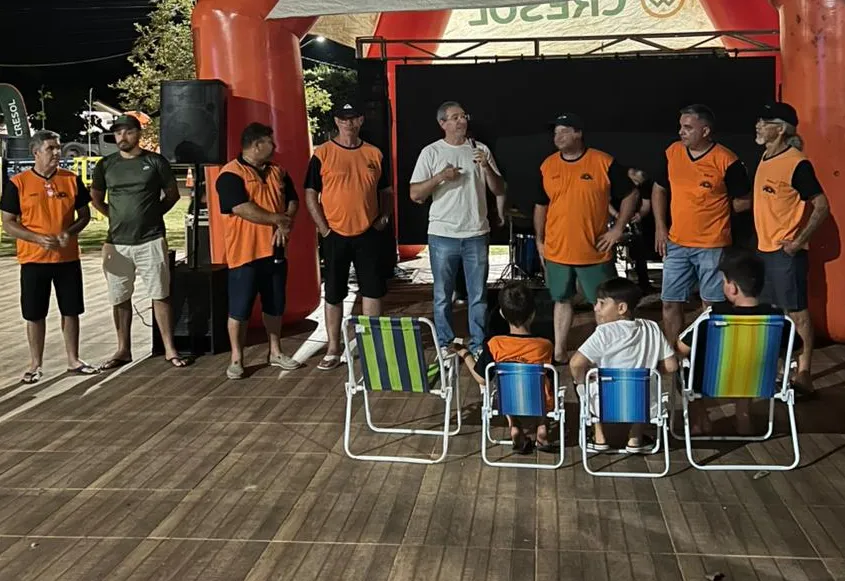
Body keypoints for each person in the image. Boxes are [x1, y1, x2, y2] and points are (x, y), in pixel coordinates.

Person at [534, 113, 639, 364]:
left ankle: (606, 354)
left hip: (593, 250)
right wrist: (540, 239)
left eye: (564, 131)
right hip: (557, 249)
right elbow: (540, 204)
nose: (558, 137)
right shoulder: (548, 165)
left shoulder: (603, 162)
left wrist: (617, 229)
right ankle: (559, 351)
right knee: (561, 299)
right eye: (555, 133)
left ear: (578, 133)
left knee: (604, 305)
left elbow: (631, 194)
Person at [90, 114, 188, 369]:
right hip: (116, 243)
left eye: (127, 132)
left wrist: (152, 215)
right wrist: (114, 216)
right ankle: (123, 349)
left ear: (137, 134)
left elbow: (172, 195)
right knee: (119, 297)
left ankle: (169, 348)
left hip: (151, 240)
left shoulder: (155, 161)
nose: (122, 137)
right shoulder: (106, 165)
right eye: (118, 133)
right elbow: (96, 197)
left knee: (160, 294)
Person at [410, 101, 507, 358]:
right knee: (443, 294)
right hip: (443, 235)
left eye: (463, 116)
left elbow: (499, 189)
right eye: (454, 117)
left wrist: (486, 166)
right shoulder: (431, 152)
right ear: (442, 123)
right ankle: (445, 343)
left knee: (479, 295)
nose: (461, 121)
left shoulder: (480, 150)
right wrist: (441, 176)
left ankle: (477, 345)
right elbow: (415, 194)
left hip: (476, 233)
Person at [0, 130, 97, 383]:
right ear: (36, 153)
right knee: (34, 313)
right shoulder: (18, 183)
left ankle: (73, 359)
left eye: (58, 148)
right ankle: (35, 363)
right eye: (51, 148)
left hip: (67, 259)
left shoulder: (71, 179)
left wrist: (71, 232)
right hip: (33, 259)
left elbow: (84, 216)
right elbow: (8, 223)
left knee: (71, 310)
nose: (57, 153)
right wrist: (35, 238)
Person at [652, 104, 752, 345]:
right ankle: (674, 354)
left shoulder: (726, 160)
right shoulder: (672, 152)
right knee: (669, 301)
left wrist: (717, 212)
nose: (681, 132)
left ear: (705, 131)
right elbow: (658, 188)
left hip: (712, 244)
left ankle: (707, 351)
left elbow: (745, 201)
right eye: (681, 127)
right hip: (676, 242)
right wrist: (660, 227)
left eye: (688, 127)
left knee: (711, 303)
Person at [304, 102, 393, 370]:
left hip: (368, 232)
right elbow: (310, 193)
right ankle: (333, 347)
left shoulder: (374, 153)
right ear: (337, 122)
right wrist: (323, 228)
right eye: (344, 119)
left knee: (372, 290)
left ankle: (372, 348)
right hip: (335, 234)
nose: (349, 124)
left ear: (361, 120)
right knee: (333, 292)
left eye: (353, 118)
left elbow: (386, 190)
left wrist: (384, 218)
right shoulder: (323, 153)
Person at [676, 247, 803, 433]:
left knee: (684, 370)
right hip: (758, 381)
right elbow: (797, 349)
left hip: (712, 383)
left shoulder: (714, 316)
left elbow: (681, 349)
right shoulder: (778, 317)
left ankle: (699, 419)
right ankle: (744, 417)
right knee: (749, 363)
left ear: (732, 287)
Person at [753, 102, 830, 395]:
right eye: (759, 120)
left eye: (765, 121)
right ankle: (780, 371)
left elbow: (822, 206)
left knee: (797, 312)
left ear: (781, 129)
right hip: (764, 249)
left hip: (785, 253)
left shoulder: (797, 162)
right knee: (771, 313)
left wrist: (798, 242)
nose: (758, 125)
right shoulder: (766, 156)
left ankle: (805, 373)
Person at [216, 123, 301, 380]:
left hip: (275, 250)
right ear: (256, 145)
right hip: (244, 254)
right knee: (239, 309)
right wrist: (277, 219)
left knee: (275, 305)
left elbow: (293, 200)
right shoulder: (230, 174)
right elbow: (241, 208)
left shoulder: (278, 171)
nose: (274, 147)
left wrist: (285, 221)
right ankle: (236, 359)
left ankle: (275, 351)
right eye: (270, 143)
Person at [570, 278, 678, 452]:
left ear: (621, 308)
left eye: (601, 303)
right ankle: (635, 437)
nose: (596, 308)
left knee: (586, 378)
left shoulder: (604, 332)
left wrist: (581, 383)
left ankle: (599, 437)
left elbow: (575, 364)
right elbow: (672, 366)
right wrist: (649, 373)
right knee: (647, 384)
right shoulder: (652, 327)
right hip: (643, 404)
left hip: (605, 404)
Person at [453, 282, 555, 454]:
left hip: (509, 401)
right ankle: (542, 426)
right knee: (544, 382)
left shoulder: (495, 344)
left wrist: (465, 354)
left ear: (501, 313)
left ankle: (514, 425)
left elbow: (481, 379)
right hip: (539, 401)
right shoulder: (544, 345)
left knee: (505, 386)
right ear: (533, 314)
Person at [609, 168, 657, 294]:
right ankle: (612, 285)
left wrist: (640, 215)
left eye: (639, 184)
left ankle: (644, 283)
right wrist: (617, 216)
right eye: (635, 182)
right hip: (612, 219)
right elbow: (604, 201)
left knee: (640, 248)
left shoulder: (645, 185)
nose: (637, 186)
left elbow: (646, 205)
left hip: (633, 221)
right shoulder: (615, 181)